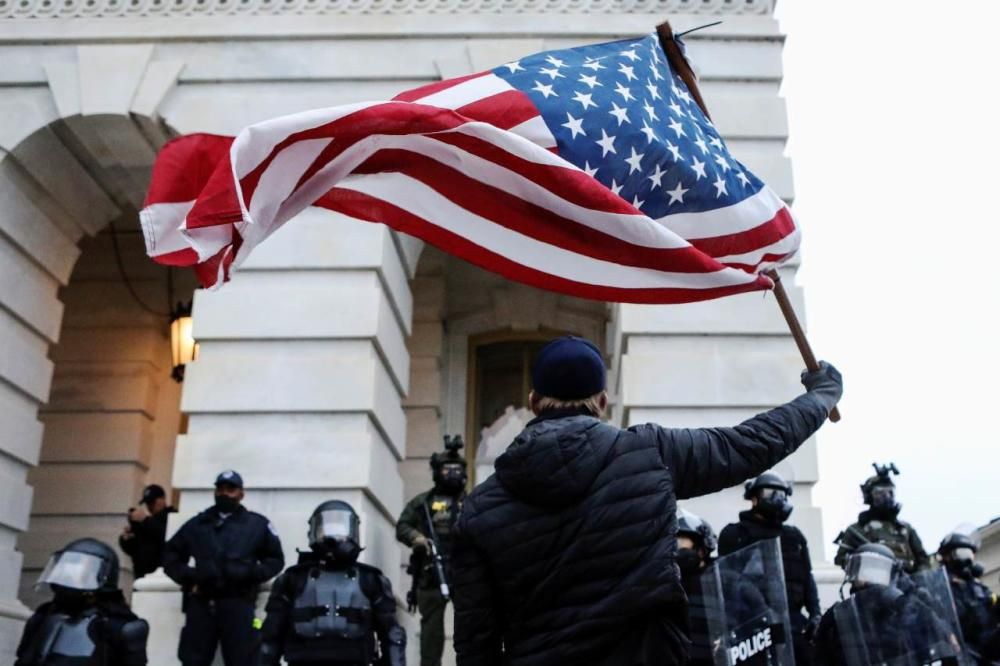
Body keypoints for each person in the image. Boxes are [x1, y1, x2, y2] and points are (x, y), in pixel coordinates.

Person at [449, 335, 843, 666]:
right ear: (601, 401)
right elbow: (750, 445)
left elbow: (474, 644)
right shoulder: (649, 451)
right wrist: (820, 398)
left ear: (534, 401)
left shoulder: (480, 507)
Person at [258, 500, 406, 666]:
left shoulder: (371, 579)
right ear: (315, 531)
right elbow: (270, 636)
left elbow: (392, 635)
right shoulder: (293, 578)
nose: (334, 537)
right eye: (327, 530)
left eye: (341, 530)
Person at [163, 470, 285, 666]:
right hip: (203, 602)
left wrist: (250, 573)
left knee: (243, 659)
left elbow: (275, 559)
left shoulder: (256, 525)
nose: (225, 493)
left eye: (231, 489)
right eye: (220, 489)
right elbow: (171, 556)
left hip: (239, 602)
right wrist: (191, 576)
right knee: (194, 659)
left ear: (241, 493)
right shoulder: (198, 524)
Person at [718, 471, 822, 666]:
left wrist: (815, 614)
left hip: (794, 624)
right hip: (753, 629)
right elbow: (727, 581)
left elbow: (807, 579)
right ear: (754, 498)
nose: (776, 499)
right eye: (769, 493)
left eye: (781, 494)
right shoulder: (735, 534)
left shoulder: (793, 536)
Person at [813, 543, 959, 666]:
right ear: (853, 574)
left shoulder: (909, 607)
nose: (869, 579)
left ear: (892, 574)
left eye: (877, 572)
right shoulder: (837, 615)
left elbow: (944, 645)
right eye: (864, 571)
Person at [15, 537, 149, 665]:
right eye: (66, 569)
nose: (69, 578)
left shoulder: (121, 627)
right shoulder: (43, 616)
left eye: (78, 571)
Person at [396, 436, 467, 666]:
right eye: (448, 470)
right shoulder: (423, 502)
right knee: (432, 634)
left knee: (471, 628)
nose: (453, 474)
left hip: (465, 572)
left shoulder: (473, 500)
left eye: (457, 469)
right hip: (431, 572)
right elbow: (402, 526)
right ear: (437, 472)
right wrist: (416, 538)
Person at [834, 463, 930, 574]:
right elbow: (841, 561)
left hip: (908, 585)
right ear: (869, 496)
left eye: (890, 492)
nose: (887, 497)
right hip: (875, 586)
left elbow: (924, 560)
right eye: (880, 493)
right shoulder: (856, 530)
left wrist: (920, 575)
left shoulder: (905, 529)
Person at [937, 532, 999, 664]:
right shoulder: (939, 586)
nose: (967, 560)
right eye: (962, 553)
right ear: (947, 556)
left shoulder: (976, 585)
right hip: (965, 651)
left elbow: (993, 603)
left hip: (988, 646)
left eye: (970, 555)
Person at [676, 509, 718, 666]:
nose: (676, 551)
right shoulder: (666, 585)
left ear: (701, 550)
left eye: (680, 544)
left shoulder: (723, 582)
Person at [119, 483, 176, 579]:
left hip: (162, 575)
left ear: (162, 500)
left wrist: (146, 520)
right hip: (142, 576)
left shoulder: (171, 517)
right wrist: (126, 538)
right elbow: (133, 548)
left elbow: (165, 535)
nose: (150, 507)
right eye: (148, 503)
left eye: (152, 502)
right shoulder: (147, 522)